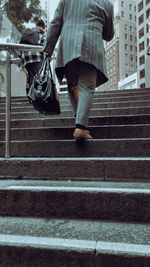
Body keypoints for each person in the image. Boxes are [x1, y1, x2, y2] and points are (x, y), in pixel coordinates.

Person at [43, 0, 114, 140]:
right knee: (86, 86)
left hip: (68, 46)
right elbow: (108, 35)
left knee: (73, 85)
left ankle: (79, 121)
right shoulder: (107, 4)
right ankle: (81, 128)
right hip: (91, 45)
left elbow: (55, 23)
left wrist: (48, 49)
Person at [20, 19, 46, 94]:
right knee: (37, 76)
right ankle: (35, 95)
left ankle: (29, 93)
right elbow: (44, 46)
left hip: (25, 58)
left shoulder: (28, 32)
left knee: (29, 76)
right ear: (43, 27)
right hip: (36, 57)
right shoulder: (41, 33)